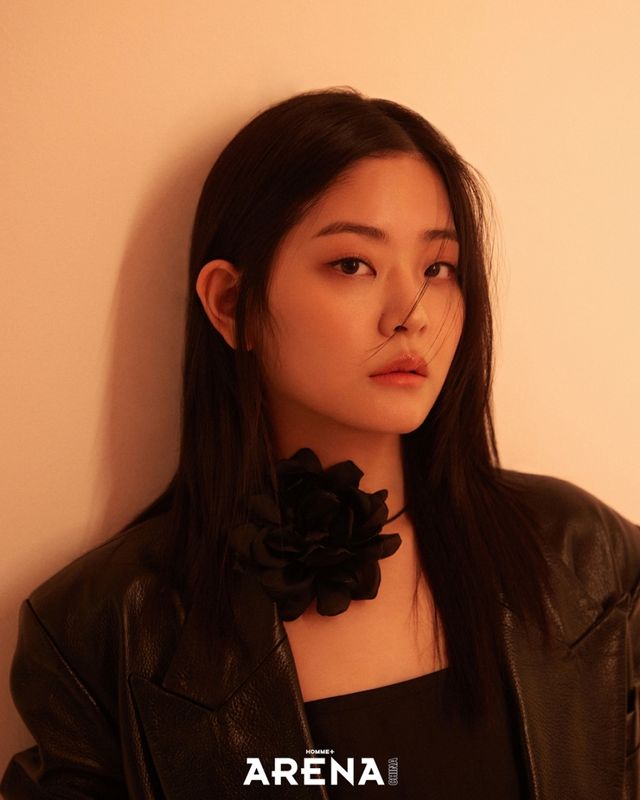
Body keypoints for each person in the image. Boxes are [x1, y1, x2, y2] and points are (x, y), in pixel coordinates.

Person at [1, 87, 639, 800]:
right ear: (231, 304)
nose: (411, 313)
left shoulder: (587, 558)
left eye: (438, 268)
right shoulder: (101, 630)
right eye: (353, 265)